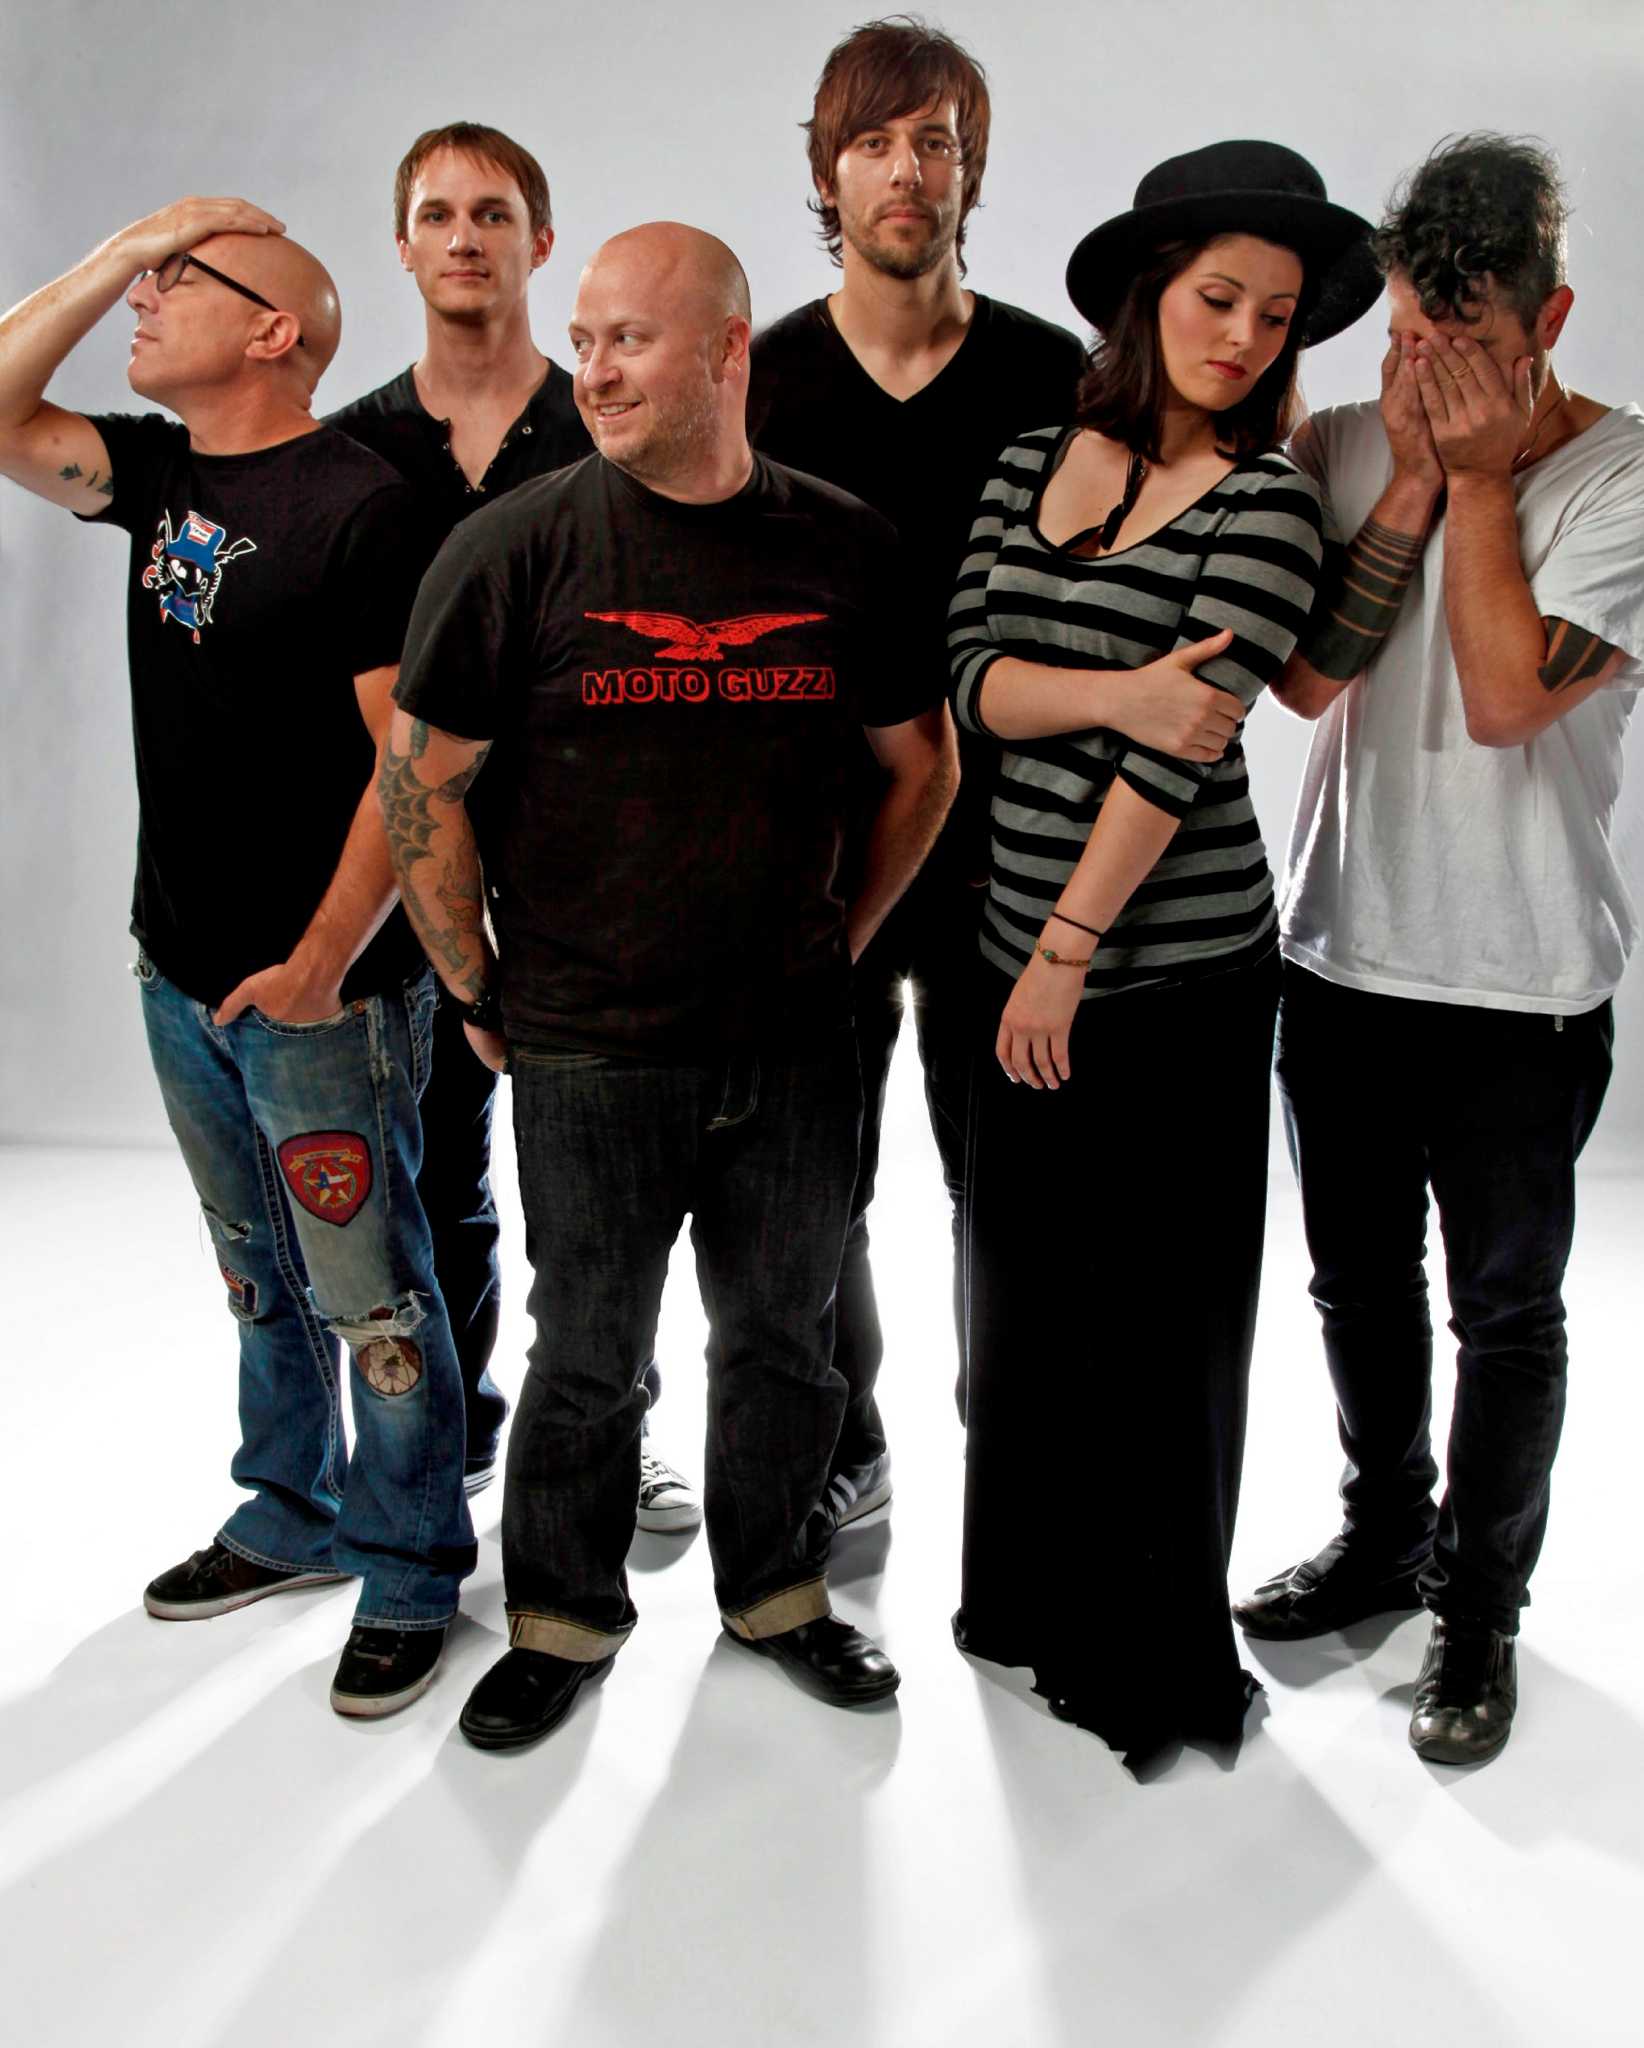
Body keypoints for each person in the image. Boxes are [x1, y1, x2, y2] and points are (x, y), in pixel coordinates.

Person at [382, 221, 956, 1749]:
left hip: (794, 1043)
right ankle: (562, 1619)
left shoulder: (843, 545)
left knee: (783, 1344)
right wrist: (477, 987)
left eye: (629, 339)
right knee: (587, 1358)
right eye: (584, 341)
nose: (595, 370)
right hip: (590, 1048)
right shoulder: (515, 549)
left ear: (727, 350)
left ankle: (777, 1592)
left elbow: (923, 762)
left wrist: (843, 938)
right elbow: (421, 784)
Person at [0, 197, 475, 1717]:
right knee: (253, 1272)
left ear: (274, 331)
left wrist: (326, 961)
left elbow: (409, 769)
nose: (144, 299)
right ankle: (292, 1512)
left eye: (176, 281)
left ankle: (410, 1563)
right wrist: (129, 243)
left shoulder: (367, 506)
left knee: (371, 1294)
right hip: (181, 970)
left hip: (321, 996)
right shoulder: (159, 475)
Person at [949, 143, 1381, 1768]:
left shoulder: (1270, 503)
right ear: (1150, 295)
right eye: (1220, 299)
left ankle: (1147, 1639)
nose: (1247, 337)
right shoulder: (1026, 460)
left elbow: (1183, 757)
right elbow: (972, 680)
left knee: (1161, 1319)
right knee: (1021, 1296)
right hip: (1010, 954)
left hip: (1173, 976)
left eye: (1277, 316)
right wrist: (1122, 687)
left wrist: (1068, 951)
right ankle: (1027, 1596)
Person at [1232, 135, 1644, 1766]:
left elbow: (1504, 696)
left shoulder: (1622, 476)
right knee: (1353, 1280)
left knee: (1507, 1314)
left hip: (1520, 987)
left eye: (1465, 347)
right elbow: (1301, 685)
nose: (1426, 374)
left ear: (1551, 320)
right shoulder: (1346, 443)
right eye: (1408, 336)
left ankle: (1480, 1614)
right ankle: (1385, 1533)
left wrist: (1477, 478)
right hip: (1343, 954)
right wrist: (1412, 472)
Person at [327, 121, 701, 1532]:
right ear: (403, 246)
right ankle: (465, 1426)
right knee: (431, 1175)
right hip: (408, 873)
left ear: (542, 243)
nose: (465, 237)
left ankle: (616, 1419)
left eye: (493, 213)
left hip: (587, 874)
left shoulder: (606, 415)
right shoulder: (357, 446)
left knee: (596, 1190)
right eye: (438, 214)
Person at [747, 20, 1089, 1522]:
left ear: (971, 169)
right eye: (874, 143)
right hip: (808, 858)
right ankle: (848, 1444)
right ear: (828, 171)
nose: (906, 171)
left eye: (935, 142)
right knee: (813, 1186)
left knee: (1005, 1184)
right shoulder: (761, 379)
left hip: (1010, 850)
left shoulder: (1050, 373)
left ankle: (1013, 1458)